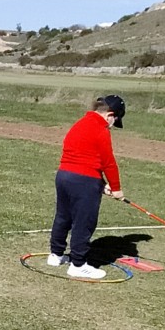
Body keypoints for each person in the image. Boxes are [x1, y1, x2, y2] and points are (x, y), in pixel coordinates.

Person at [49, 95, 127, 280]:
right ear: (110, 114)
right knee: (84, 222)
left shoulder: (81, 123)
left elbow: (84, 156)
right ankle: (78, 264)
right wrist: (116, 188)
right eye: (114, 120)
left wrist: (99, 183)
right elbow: (108, 162)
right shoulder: (101, 129)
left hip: (64, 176)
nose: (112, 125)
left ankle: (56, 255)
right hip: (84, 181)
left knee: (63, 216)